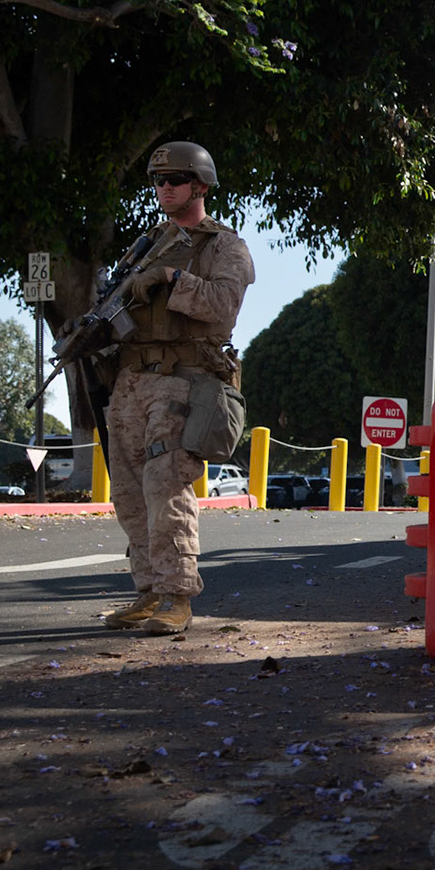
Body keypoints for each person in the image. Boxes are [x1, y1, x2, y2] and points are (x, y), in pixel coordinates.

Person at [100, 142, 256, 634]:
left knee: (164, 487)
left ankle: (177, 595)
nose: (165, 189)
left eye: (175, 180)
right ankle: (148, 590)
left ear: (201, 186)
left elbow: (223, 306)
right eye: (158, 181)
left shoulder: (222, 245)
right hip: (130, 382)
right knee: (129, 494)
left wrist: (171, 278)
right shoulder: (148, 242)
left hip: (182, 382)